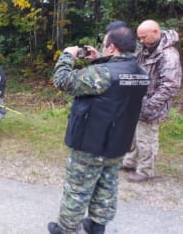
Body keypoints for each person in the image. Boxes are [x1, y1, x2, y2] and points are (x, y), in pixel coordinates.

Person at [48, 27, 149, 234]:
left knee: (77, 189)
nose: (102, 48)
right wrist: (99, 59)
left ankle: (65, 229)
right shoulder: (141, 73)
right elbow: (112, 89)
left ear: (112, 47)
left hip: (91, 142)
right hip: (119, 142)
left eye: (104, 45)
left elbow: (63, 80)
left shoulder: (102, 73)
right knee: (107, 186)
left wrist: (67, 56)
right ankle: (97, 225)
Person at [122, 20, 182, 182]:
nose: (141, 41)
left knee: (146, 137)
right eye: (139, 38)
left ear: (156, 32)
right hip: (138, 101)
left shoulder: (168, 55)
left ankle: (146, 171)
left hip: (152, 105)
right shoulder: (147, 49)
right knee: (134, 134)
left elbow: (171, 85)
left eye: (144, 37)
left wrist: (149, 105)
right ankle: (129, 162)